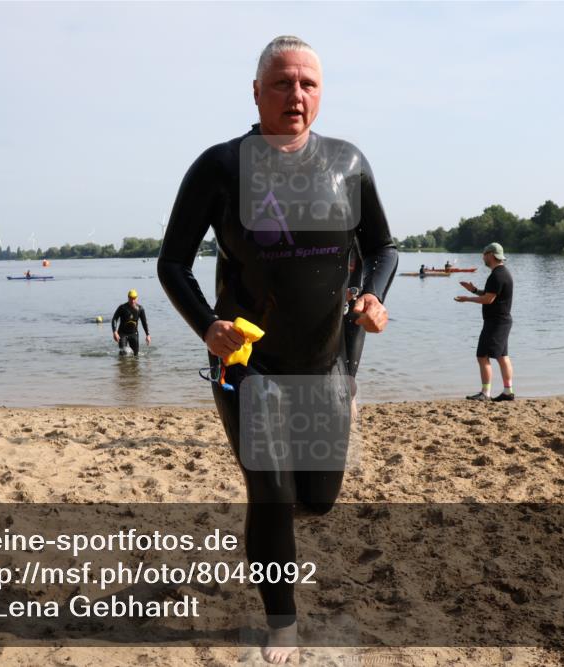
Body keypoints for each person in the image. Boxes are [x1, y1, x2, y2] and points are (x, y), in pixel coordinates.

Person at [158, 36, 397, 664]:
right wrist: (207, 325)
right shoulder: (220, 167)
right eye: (283, 83)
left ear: (320, 93)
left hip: (327, 363)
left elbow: (383, 248)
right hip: (247, 363)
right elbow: (172, 262)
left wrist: (373, 298)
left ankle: (288, 508)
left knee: (317, 499)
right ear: (257, 92)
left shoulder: (347, 163)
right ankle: (282, 623)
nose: (296, 94)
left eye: (308, 84)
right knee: (269, 495)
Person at [455, 242, 515, 402]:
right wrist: (474, 290)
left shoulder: (497, 275)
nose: (483, 257)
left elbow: (488, 299)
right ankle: (508, 392)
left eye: (484, 254)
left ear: (491, 255)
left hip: (495, 322)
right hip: (502, 321)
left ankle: (485, 393)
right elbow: (491, 294)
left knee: (482, 356)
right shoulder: (503, 273)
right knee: (502, 356)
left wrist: (467, 299)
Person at [111, 289, 150, 356]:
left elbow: (144, 322)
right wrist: (115, 332)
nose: (132, 300)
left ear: (137, 298)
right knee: (123, 353)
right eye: (131, 298)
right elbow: (114, 319)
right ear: (128, 297)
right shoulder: (122, 308)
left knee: (136, 355)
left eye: (134, 298)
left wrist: (147, 335)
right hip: (122, 333)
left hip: (134, 334)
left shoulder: (140, 309)